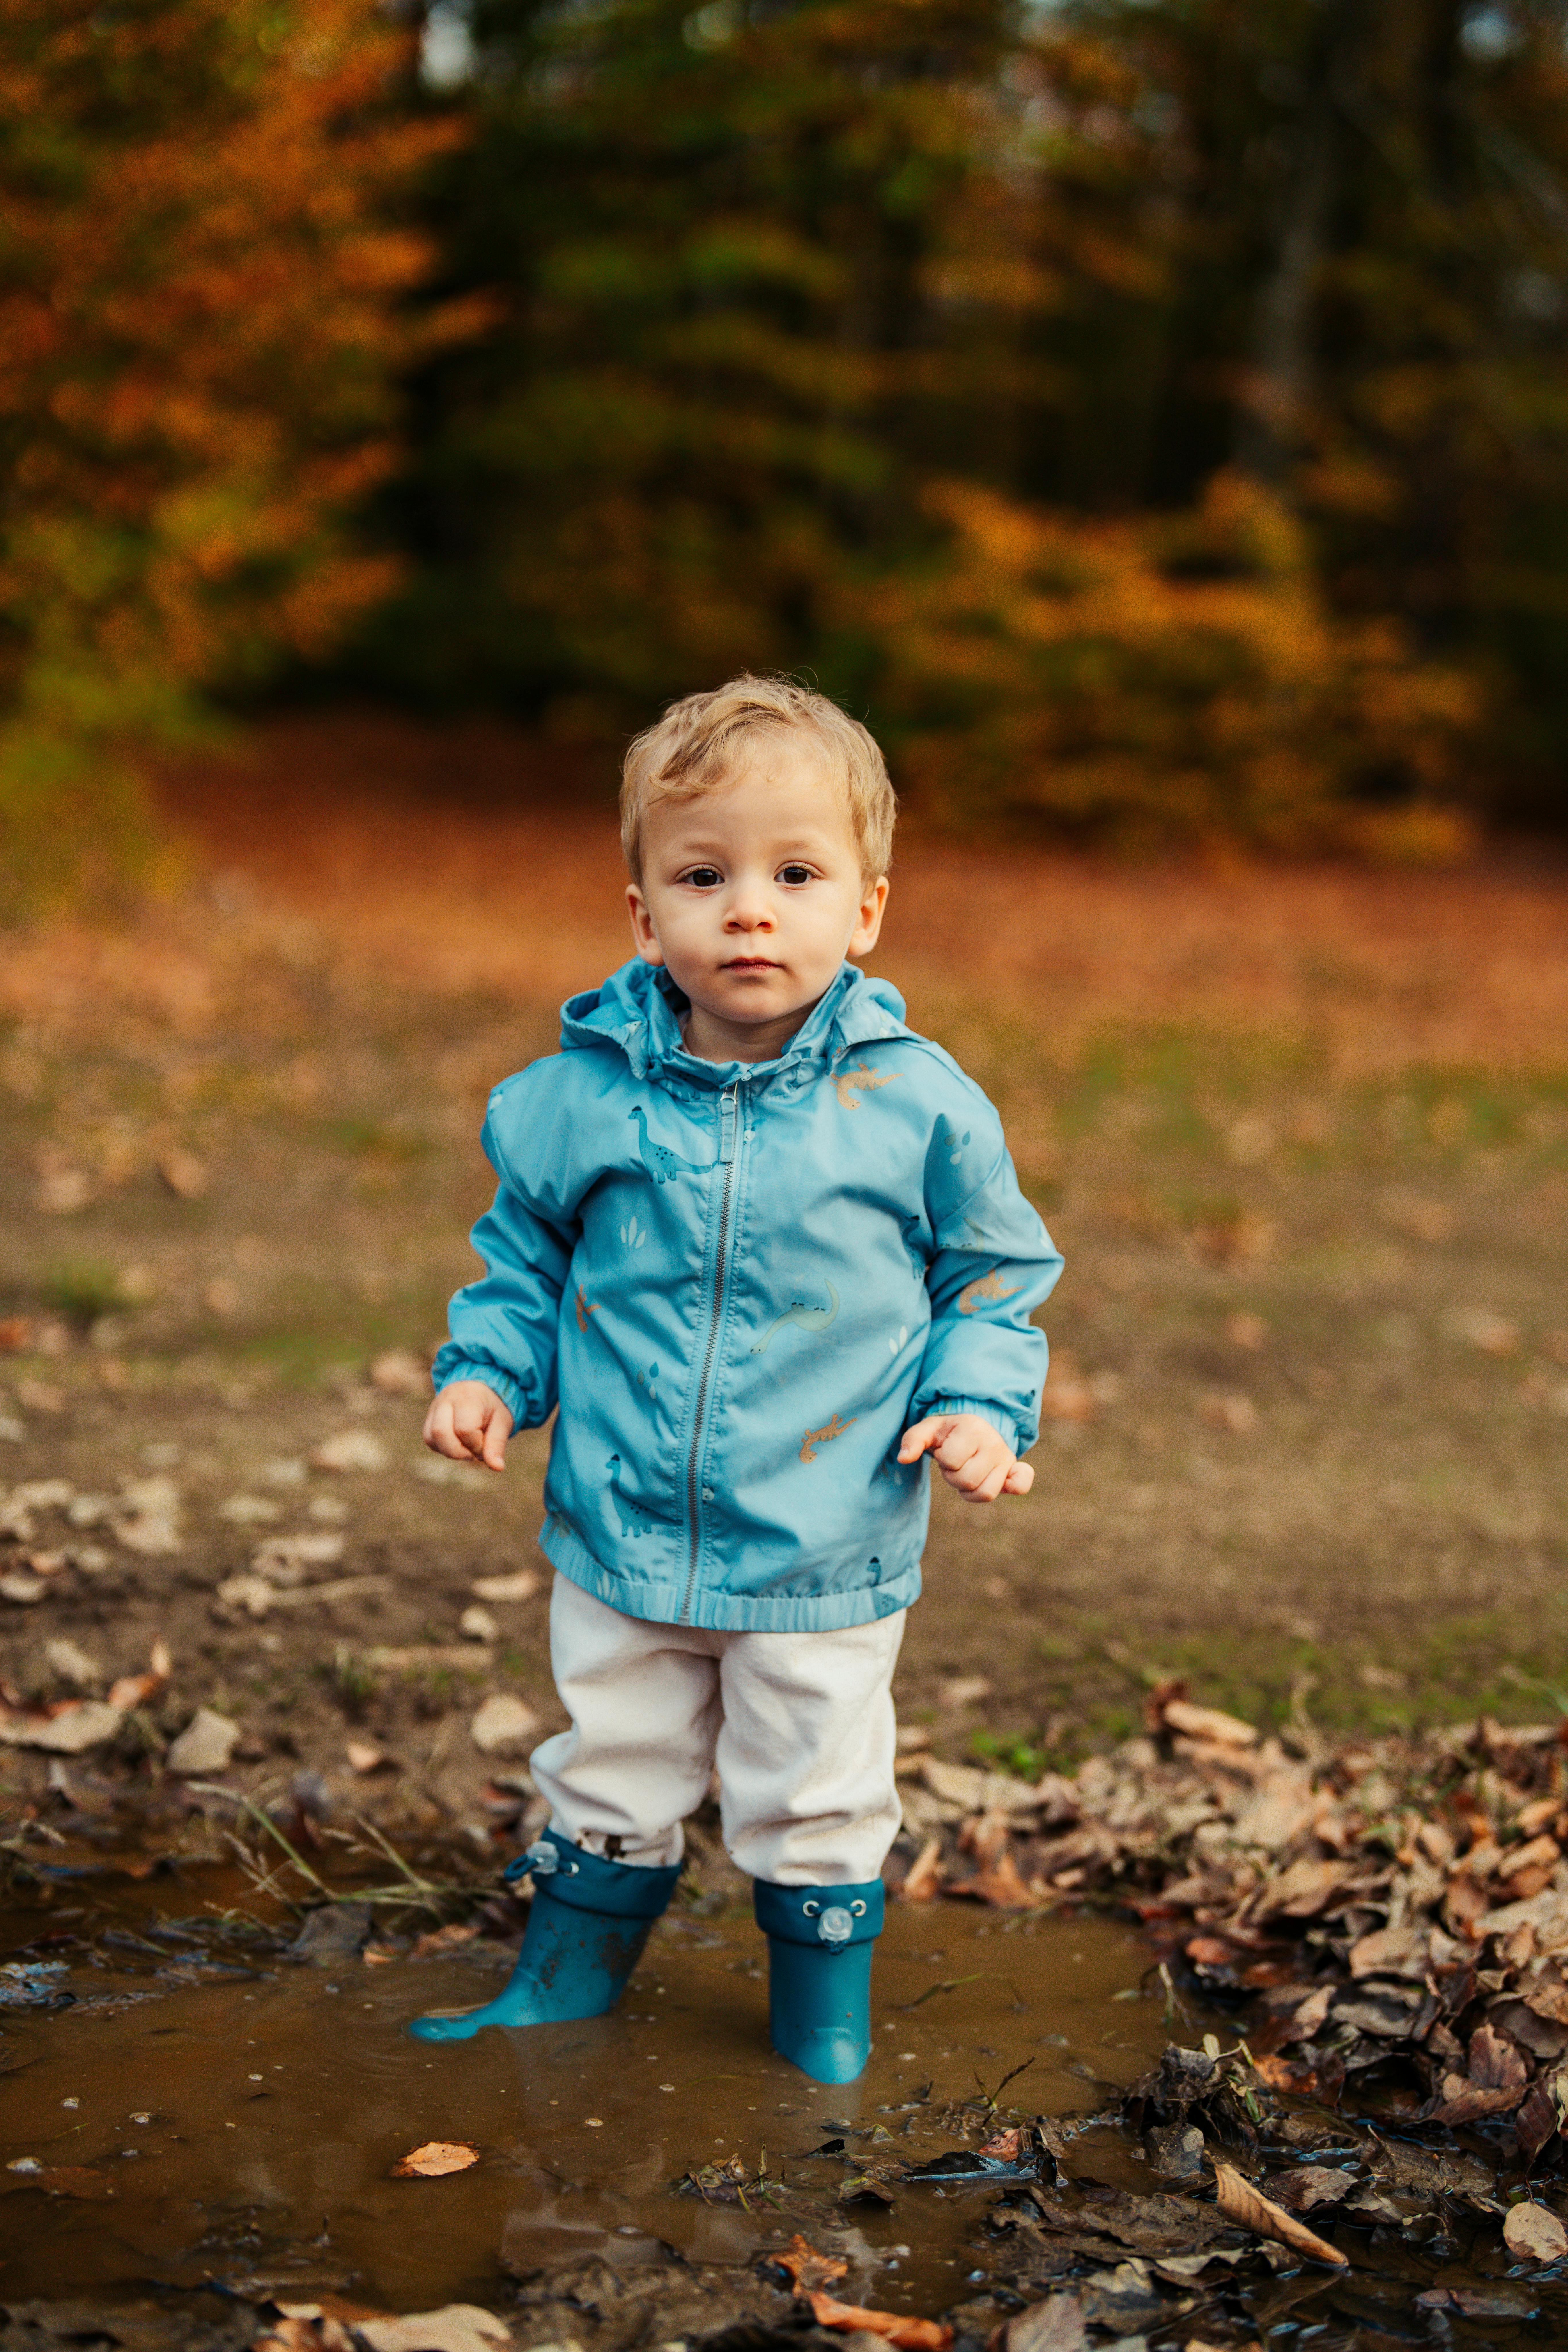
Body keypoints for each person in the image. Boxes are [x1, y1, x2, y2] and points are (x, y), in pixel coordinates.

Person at [408, 675, 1062, 2081]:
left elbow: (995, 1275)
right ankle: (561, 1987)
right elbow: (520, 1260)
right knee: (612, 1757)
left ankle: (820, 2028)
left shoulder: (917, 1105)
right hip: (623, 1521)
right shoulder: (581, 1096)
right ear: (645, 913)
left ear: (866, 909)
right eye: (705, 875)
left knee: (815, 1783)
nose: (750, 909)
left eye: (795, 873)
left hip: (825, 1531)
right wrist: (485, 1370)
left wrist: (980, 1401)